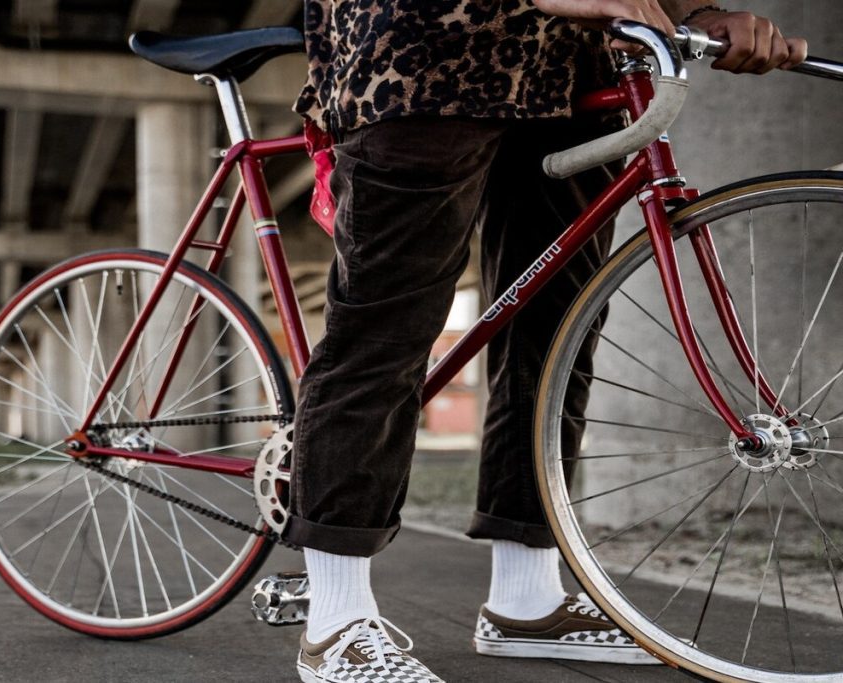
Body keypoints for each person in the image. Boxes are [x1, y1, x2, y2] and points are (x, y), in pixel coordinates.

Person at [282, 2, 808, 681]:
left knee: (558, 336)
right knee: (384, 334)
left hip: (572, 68)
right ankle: (334, 620)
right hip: (424, 53)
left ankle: (525, 599)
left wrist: (695, 12)